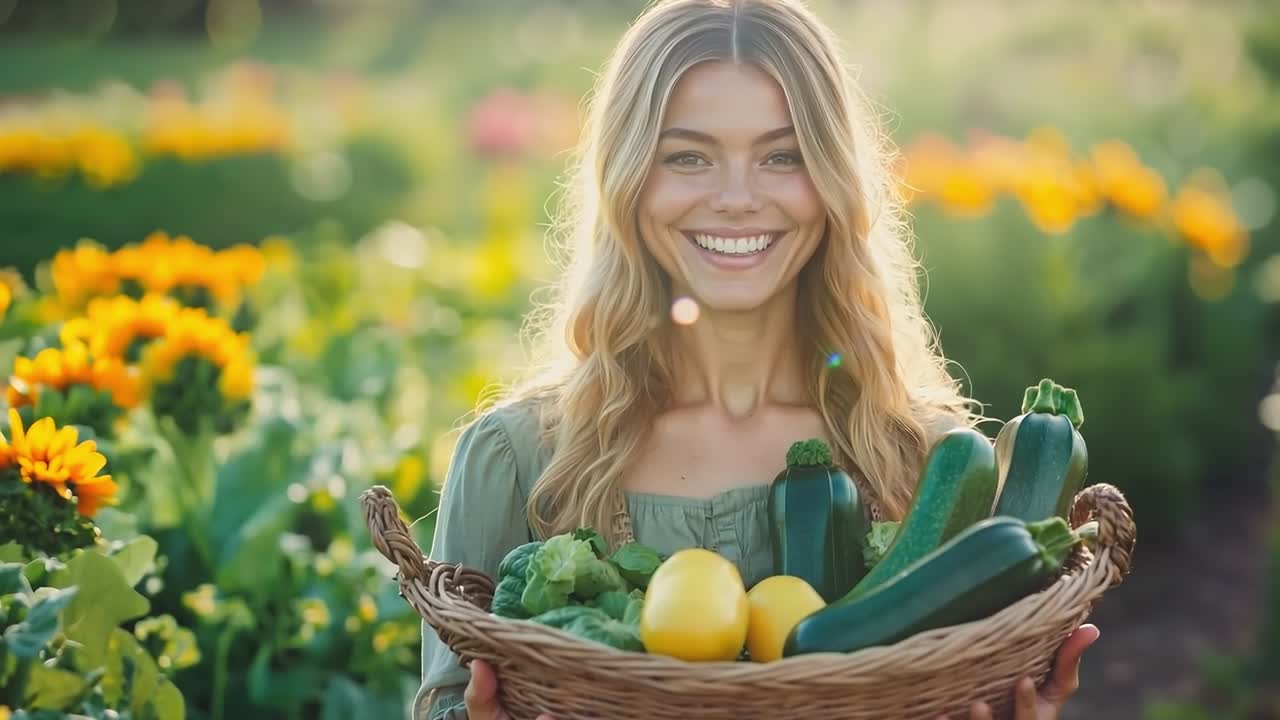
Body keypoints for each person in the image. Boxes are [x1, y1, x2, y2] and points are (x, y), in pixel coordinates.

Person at [418, 1, 1100, 718]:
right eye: (688, 156)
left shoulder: (923, 460)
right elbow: (445, 701)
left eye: (784, 156)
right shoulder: (521, 460)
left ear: (834, 180)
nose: (738, 199)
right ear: (626, 181)